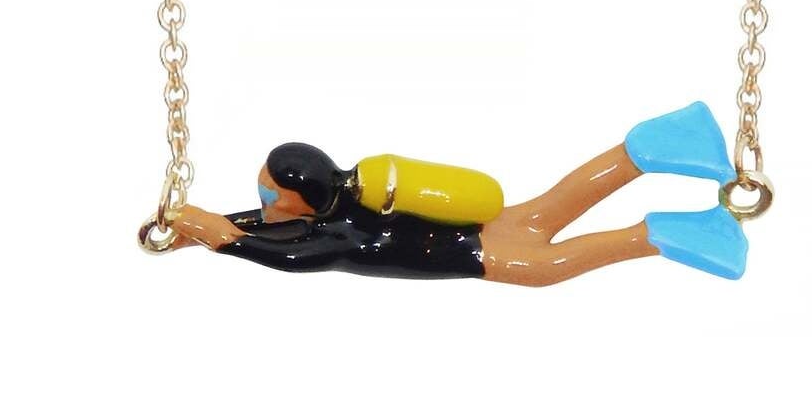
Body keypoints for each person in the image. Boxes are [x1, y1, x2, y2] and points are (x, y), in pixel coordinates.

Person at [171, 102, 749, 284]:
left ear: (302, 199)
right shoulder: (346, 194)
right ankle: (651, 148)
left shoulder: (332, 237)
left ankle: (663, 235)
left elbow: (284, 253)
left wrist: (222, 239)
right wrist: (202, 230)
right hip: (472, 228)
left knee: (546, 266)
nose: (265, 205)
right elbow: (271, 225)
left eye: (270, 194)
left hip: (474, 250)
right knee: (549, 208)